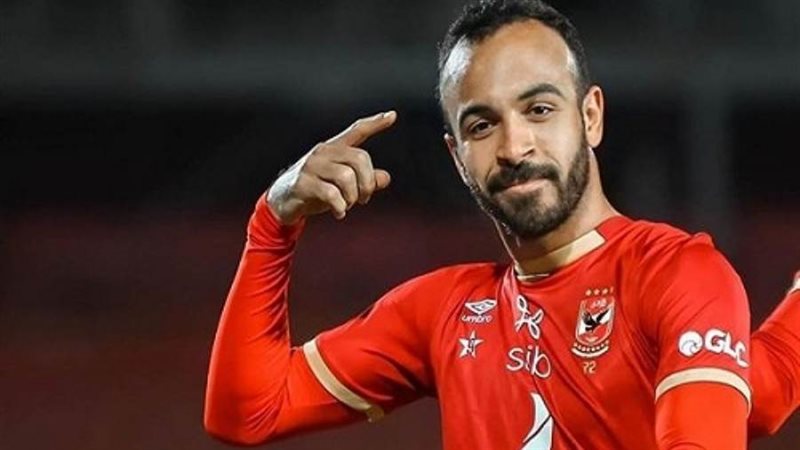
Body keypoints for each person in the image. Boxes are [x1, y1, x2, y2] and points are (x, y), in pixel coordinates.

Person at [203, 1, 800, 448]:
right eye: (482, 125)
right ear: (456, 156)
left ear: (590, 116)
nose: (515, 147)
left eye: (539, 110)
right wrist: (272, 222)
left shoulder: (676, 277)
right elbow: (248, 411)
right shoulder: (444, 311)